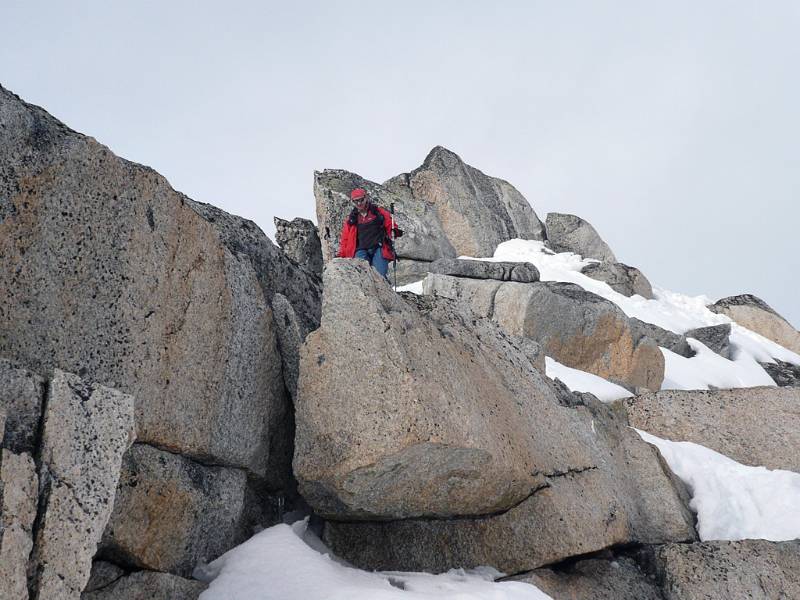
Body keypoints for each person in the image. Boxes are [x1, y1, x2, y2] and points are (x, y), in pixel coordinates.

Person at [336, 187, 402, 279]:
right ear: (352, 202)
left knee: (379, 276)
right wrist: (342, 255)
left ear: (366, 198)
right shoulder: (352, 220)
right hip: (360, 250)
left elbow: (389, 223)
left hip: (378, 248)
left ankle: (384, 291)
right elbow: (345, 240)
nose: (359, 203)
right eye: (356, 201)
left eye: (361, 200)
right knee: (363, 277)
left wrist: (394, 230)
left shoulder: (377, 212)